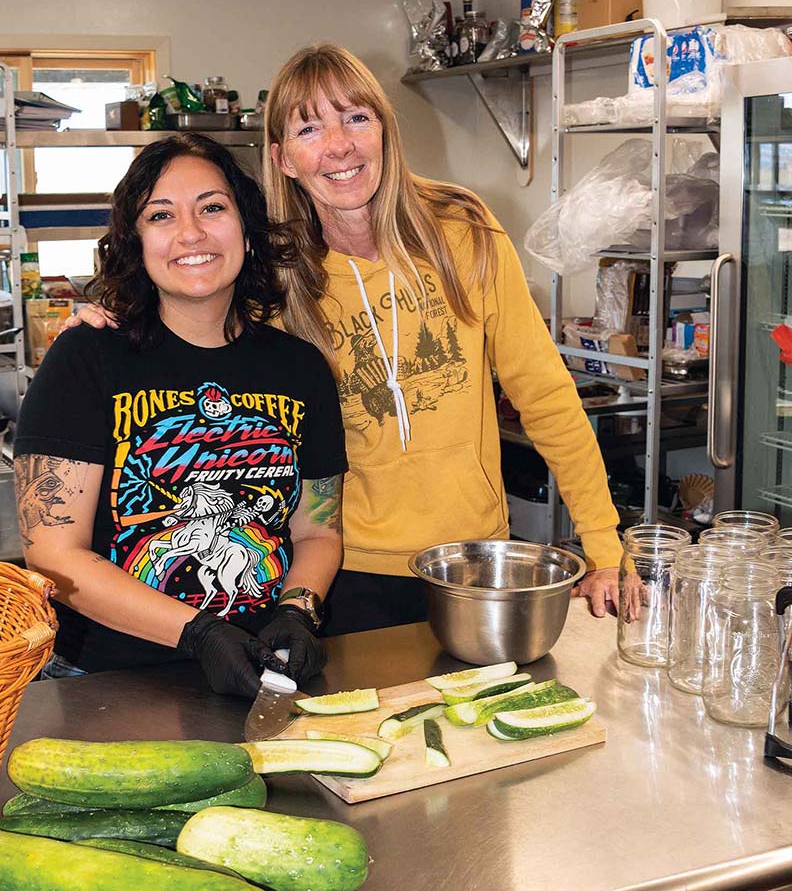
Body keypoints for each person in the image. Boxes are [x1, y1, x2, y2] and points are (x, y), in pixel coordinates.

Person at [69, 45, 623, 632]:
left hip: (471, 559)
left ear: (385, 129)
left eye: (357, 118)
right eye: (310, 128)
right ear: (282, 159)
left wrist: (604, 547)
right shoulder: (272, 269)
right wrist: (114, 309)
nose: (339, 146)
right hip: (337, 573)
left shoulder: (463, 228)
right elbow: (189, 313)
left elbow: (545, 393)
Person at [15, 133, 347, 697]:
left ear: (246, 226)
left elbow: (317, 528)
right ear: (135, 241)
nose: (191, 233)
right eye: (161, 215)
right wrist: (196, 633)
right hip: (110, 682)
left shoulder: (300, 368)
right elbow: (51, 553)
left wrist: (297, 611)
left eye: (212, 208)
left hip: (267, 670)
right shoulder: (88, 356)